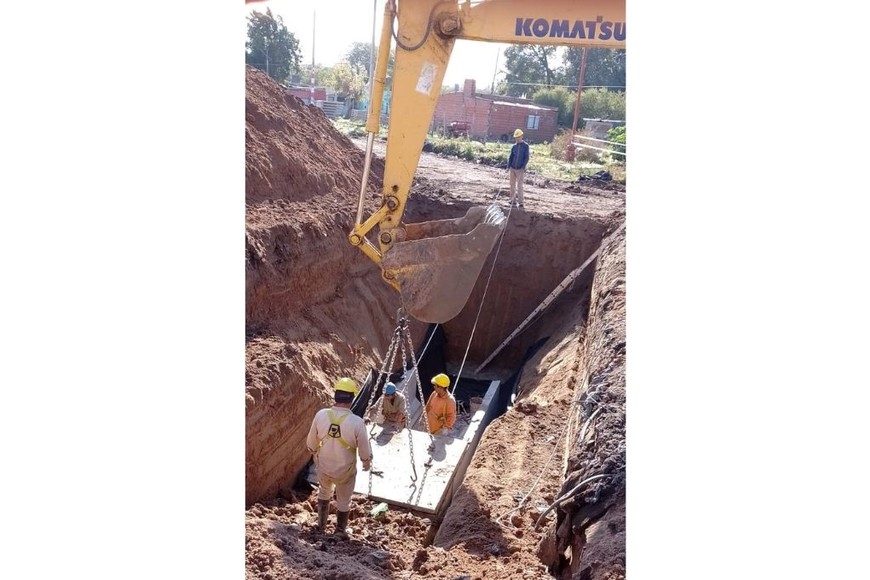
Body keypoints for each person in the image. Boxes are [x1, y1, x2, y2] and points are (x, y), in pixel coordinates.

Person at [306, 377, 373, 536]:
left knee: (324, 492)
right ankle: (340, 531)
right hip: (345, 471)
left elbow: (311, 443)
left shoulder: (321, 415)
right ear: (351, 398)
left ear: (336, 395)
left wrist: (314, 450)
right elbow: (365, 450)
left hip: (324, 467)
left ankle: (321, 527)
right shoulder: (357, 423)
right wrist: (366, 462)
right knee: (344, 500)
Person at [507, 128, 530, 208]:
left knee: (519, 186)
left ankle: (521, 202)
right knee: (512, 184)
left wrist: (523, 167)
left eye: (518, 137)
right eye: (516, 137)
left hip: (520, 169)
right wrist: (508, 166)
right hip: (513, 168)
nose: (517, 139)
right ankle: (512, 200)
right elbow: (511, 157)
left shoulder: (525, 146)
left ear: (521, 136)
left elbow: (526, 157)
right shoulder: (514, 147)